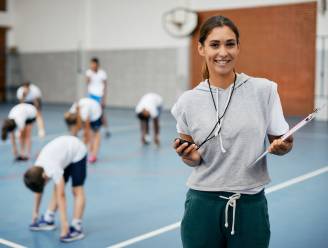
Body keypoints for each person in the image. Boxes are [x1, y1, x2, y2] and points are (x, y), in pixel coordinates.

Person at [171, 16, 293, 248]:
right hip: (201, 205)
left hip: (249, 205)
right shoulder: (187, 102)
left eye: (230, 44)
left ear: (238, 47)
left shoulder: (264, 90)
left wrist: (283, 146)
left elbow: (283, 142)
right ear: (201, 48)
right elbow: (192, 159)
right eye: (214, 45)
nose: (223, 52)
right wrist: (190, 156)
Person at [23, 135, 87, 243]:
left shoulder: (53, 168)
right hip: (63, 154)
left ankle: (77, 227)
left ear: (44, 176)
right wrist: (35, 212)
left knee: (76, 190)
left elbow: (61, 196)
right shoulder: (37, 168)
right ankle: (49, 219)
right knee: (56, 187)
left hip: (77, 151)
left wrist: (64, 225)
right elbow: (38, 190)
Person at [64, 97, 102, 163]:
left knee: (95, 134)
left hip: (95, 110)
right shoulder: (70, 114)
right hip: (86, 108)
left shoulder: (84, 115)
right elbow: (73, 132)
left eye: (74, 128)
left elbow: (86, 134)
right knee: (74, 134)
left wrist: (85, 147)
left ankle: (93, 155)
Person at [85, 57, 110, 137]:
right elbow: (87, 82)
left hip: (99, 96)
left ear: (97, 64)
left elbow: (105, 86)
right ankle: (90, 129)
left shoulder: (102, 73)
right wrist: (90, 75)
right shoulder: (89, 72)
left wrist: (104, 99)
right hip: (91, 95)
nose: (92, 65)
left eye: (93, 63)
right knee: (89, 113)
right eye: (91, 64)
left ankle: (106, 130)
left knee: (101, 114)